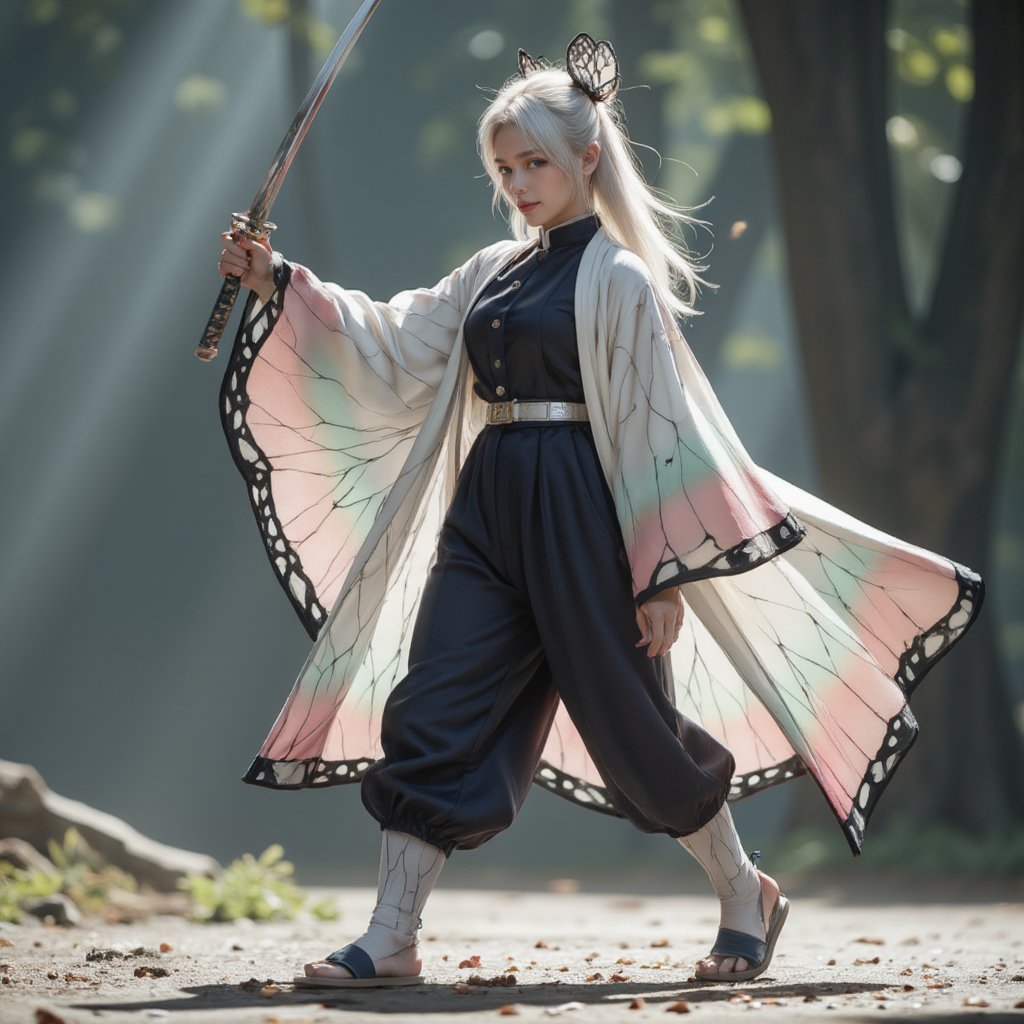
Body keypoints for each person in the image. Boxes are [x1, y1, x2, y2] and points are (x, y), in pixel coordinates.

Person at [215, 34, 983, 989]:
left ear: (586, 158)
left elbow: (663, 433)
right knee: (436, 701)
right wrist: (277, 282)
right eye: (506, 168)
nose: (520, 183)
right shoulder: (493, 270)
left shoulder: (618, 278)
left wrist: (667, 577)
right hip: (487, 507)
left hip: (589, 516)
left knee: (633, 729)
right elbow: (400, 341)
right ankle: (391, 936)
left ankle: (746, 895)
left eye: (535, 162)